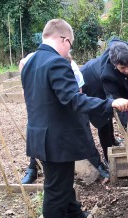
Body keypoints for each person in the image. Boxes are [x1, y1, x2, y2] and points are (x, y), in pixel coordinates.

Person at [21, 19, 128, 218]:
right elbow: (74, 99)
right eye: (70, 44)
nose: (69, 50)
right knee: (55, 185)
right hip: (55, 137)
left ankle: (73, 213)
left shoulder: (30, 62)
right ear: (64, 39)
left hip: (40, 134)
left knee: (62, 178)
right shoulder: (57, 63)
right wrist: (110, 103)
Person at [19, 53, 87, 184]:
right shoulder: (36, 59)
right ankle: (32, 168)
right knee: (39, 133)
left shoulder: (75, 72)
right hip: (42, 99)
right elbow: (22, 63)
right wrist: (27, 85)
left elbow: (78, 97)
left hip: (60, 106)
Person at [81, 38, 128, 160]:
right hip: (91, 83)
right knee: (104, 117)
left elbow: (115, 40)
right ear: (114, 64)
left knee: (109, 113)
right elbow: (118, 106)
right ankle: (109, 156)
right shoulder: (108, 76)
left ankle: (113, 141)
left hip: (97, 72)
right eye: (123, 68)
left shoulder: (119, 46)